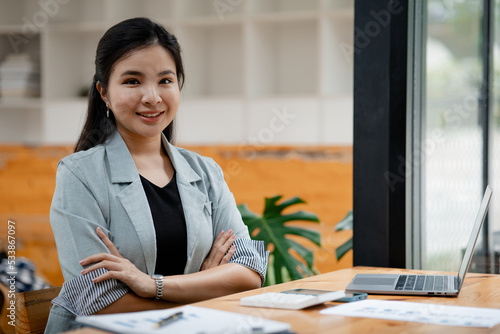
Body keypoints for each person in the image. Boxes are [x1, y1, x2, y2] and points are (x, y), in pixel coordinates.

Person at [45, 17, 268, 333]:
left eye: (165, 80)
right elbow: (102, 303)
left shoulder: (205, 172)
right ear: (103, 92)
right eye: (132, 81)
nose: (152, 97)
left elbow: (248, 273)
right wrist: (201, 284)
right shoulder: (80, 176)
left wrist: (152, 285)